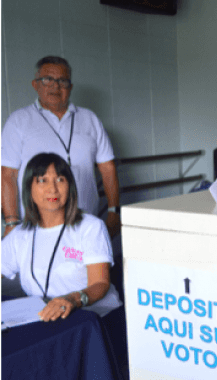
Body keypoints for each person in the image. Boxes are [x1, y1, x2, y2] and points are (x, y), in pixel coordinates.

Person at [1, 56, 121, 239]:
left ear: (70, 87)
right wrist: (11, 222)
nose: (55, 86)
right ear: (35, 84)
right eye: (47, 79)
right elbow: (7, 174)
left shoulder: (90, 119)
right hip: (35, 228)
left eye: (62, 81)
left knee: (88, 267)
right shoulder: (18, 121)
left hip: (84, 224)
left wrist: (114, 211)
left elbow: (108, 168)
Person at [1, 153, 122, 320]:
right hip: (47, 319)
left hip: (95, 319)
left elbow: (100, 283)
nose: (53, 188)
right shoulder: (20, 235)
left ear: (69, 187)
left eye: (60, 179)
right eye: (42, 180)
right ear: (29, 189)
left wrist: (71, 299)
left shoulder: (91, 227)